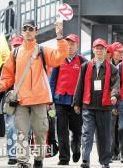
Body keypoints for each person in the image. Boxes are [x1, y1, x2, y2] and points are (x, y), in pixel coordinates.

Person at [0, 20, 68, 168]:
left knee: (40, 132)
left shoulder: (42, 50)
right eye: (25, 29)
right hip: (20, 100)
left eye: (30, 29)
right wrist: (1, 86)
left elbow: (60, 56)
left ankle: (39, 159)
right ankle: (22, 161)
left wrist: (59, 36)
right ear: (22, 32)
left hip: (39, 99)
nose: (27, 31)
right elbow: (8, 75)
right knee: (21, 132)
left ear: (36, 31)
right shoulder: (15, 53)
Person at [73, 38, 120, 168]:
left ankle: (105, 161)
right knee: (87, 132)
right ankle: (85, 160)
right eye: (97, 48)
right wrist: (76, 103)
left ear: (106, 51)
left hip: (105, 107)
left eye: (102, 48)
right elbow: (79, 85)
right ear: (93, 50)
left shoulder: (112, 68)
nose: (99, 50)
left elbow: (116, 85)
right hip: (88, 106)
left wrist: (114, 96)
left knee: (104, 135)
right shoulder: (85, 66)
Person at [49, 34, 87, 166]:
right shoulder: (59, 60)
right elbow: (52, 80)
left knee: (77, 129)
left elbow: (86, 83)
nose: (69, 47)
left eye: (72, 44)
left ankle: (76, 147)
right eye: (67, 44)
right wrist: (50, 99)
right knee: (62, 129)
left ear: (77, 46)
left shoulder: (83, 61)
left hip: (76, 101)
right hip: (60, 100)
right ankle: (64, 158)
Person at [0, 35, 23, 166]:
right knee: (11, 128)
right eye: (14, 46)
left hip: (25, 100)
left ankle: (23, 154)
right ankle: (12, 155)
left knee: (24, 129)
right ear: (11, 47)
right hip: (9, 102)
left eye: (18, 45)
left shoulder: (28, 62)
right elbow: (0, 85)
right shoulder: (4, 65)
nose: (16, 48)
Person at [109, 41, 123, 161]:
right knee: (112, 128)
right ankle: (113, 152)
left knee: (121, 128)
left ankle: (119, 151)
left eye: (122, 52)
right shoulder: (108, 66)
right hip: (111, 102)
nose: (121, 54)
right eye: (119, 52)